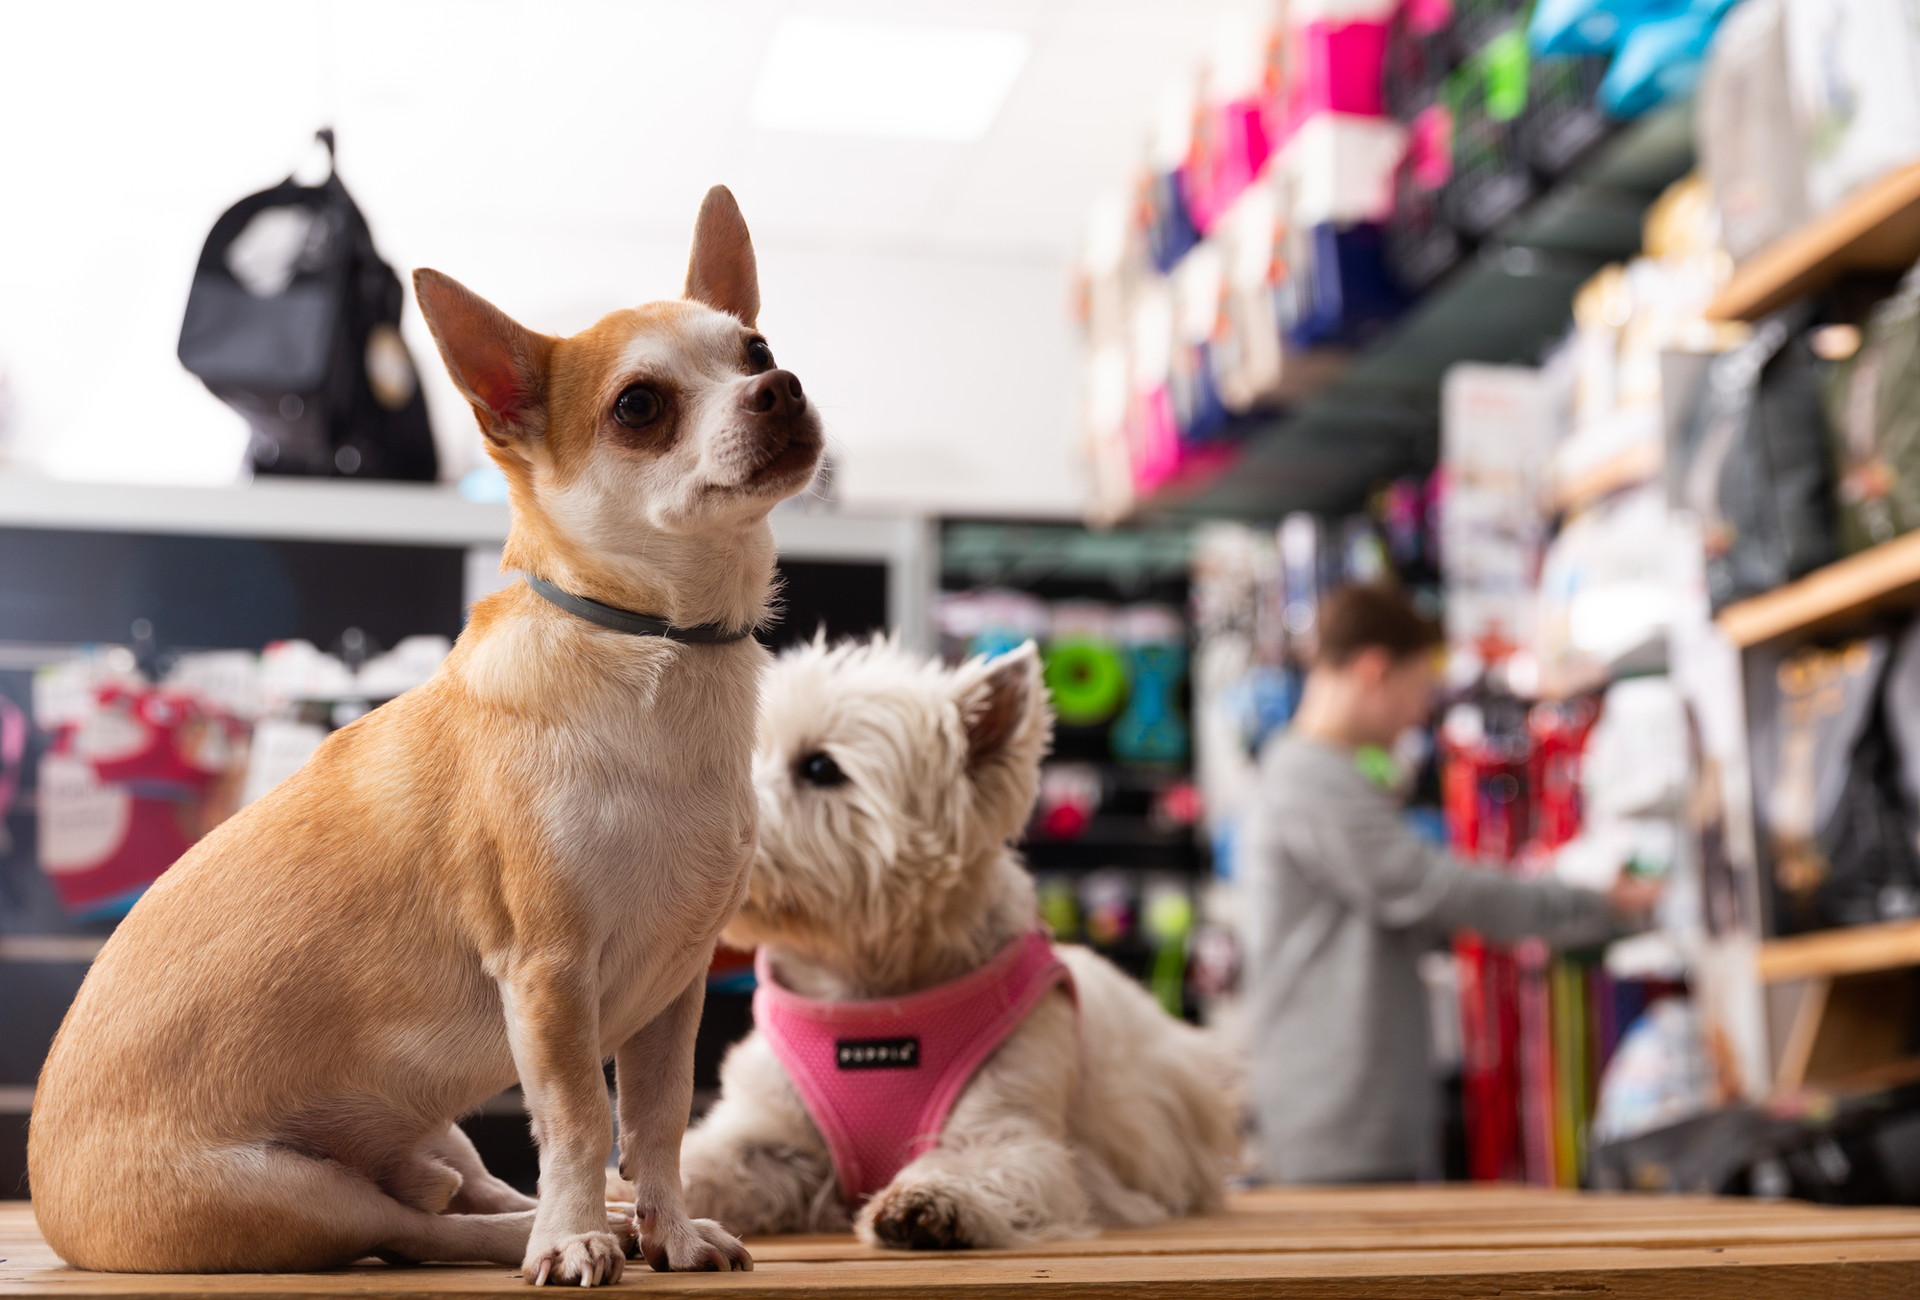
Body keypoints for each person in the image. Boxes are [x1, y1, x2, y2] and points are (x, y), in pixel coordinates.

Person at [1240, 583, 1659, 1184]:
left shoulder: (1317, 774)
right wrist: (1600, 905)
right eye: (1418, 690)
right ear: (1372, 671)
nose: (1419, 713)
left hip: (1353, 1109)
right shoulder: (1309, 778)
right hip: (1339, 1118)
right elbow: (1432, 888)